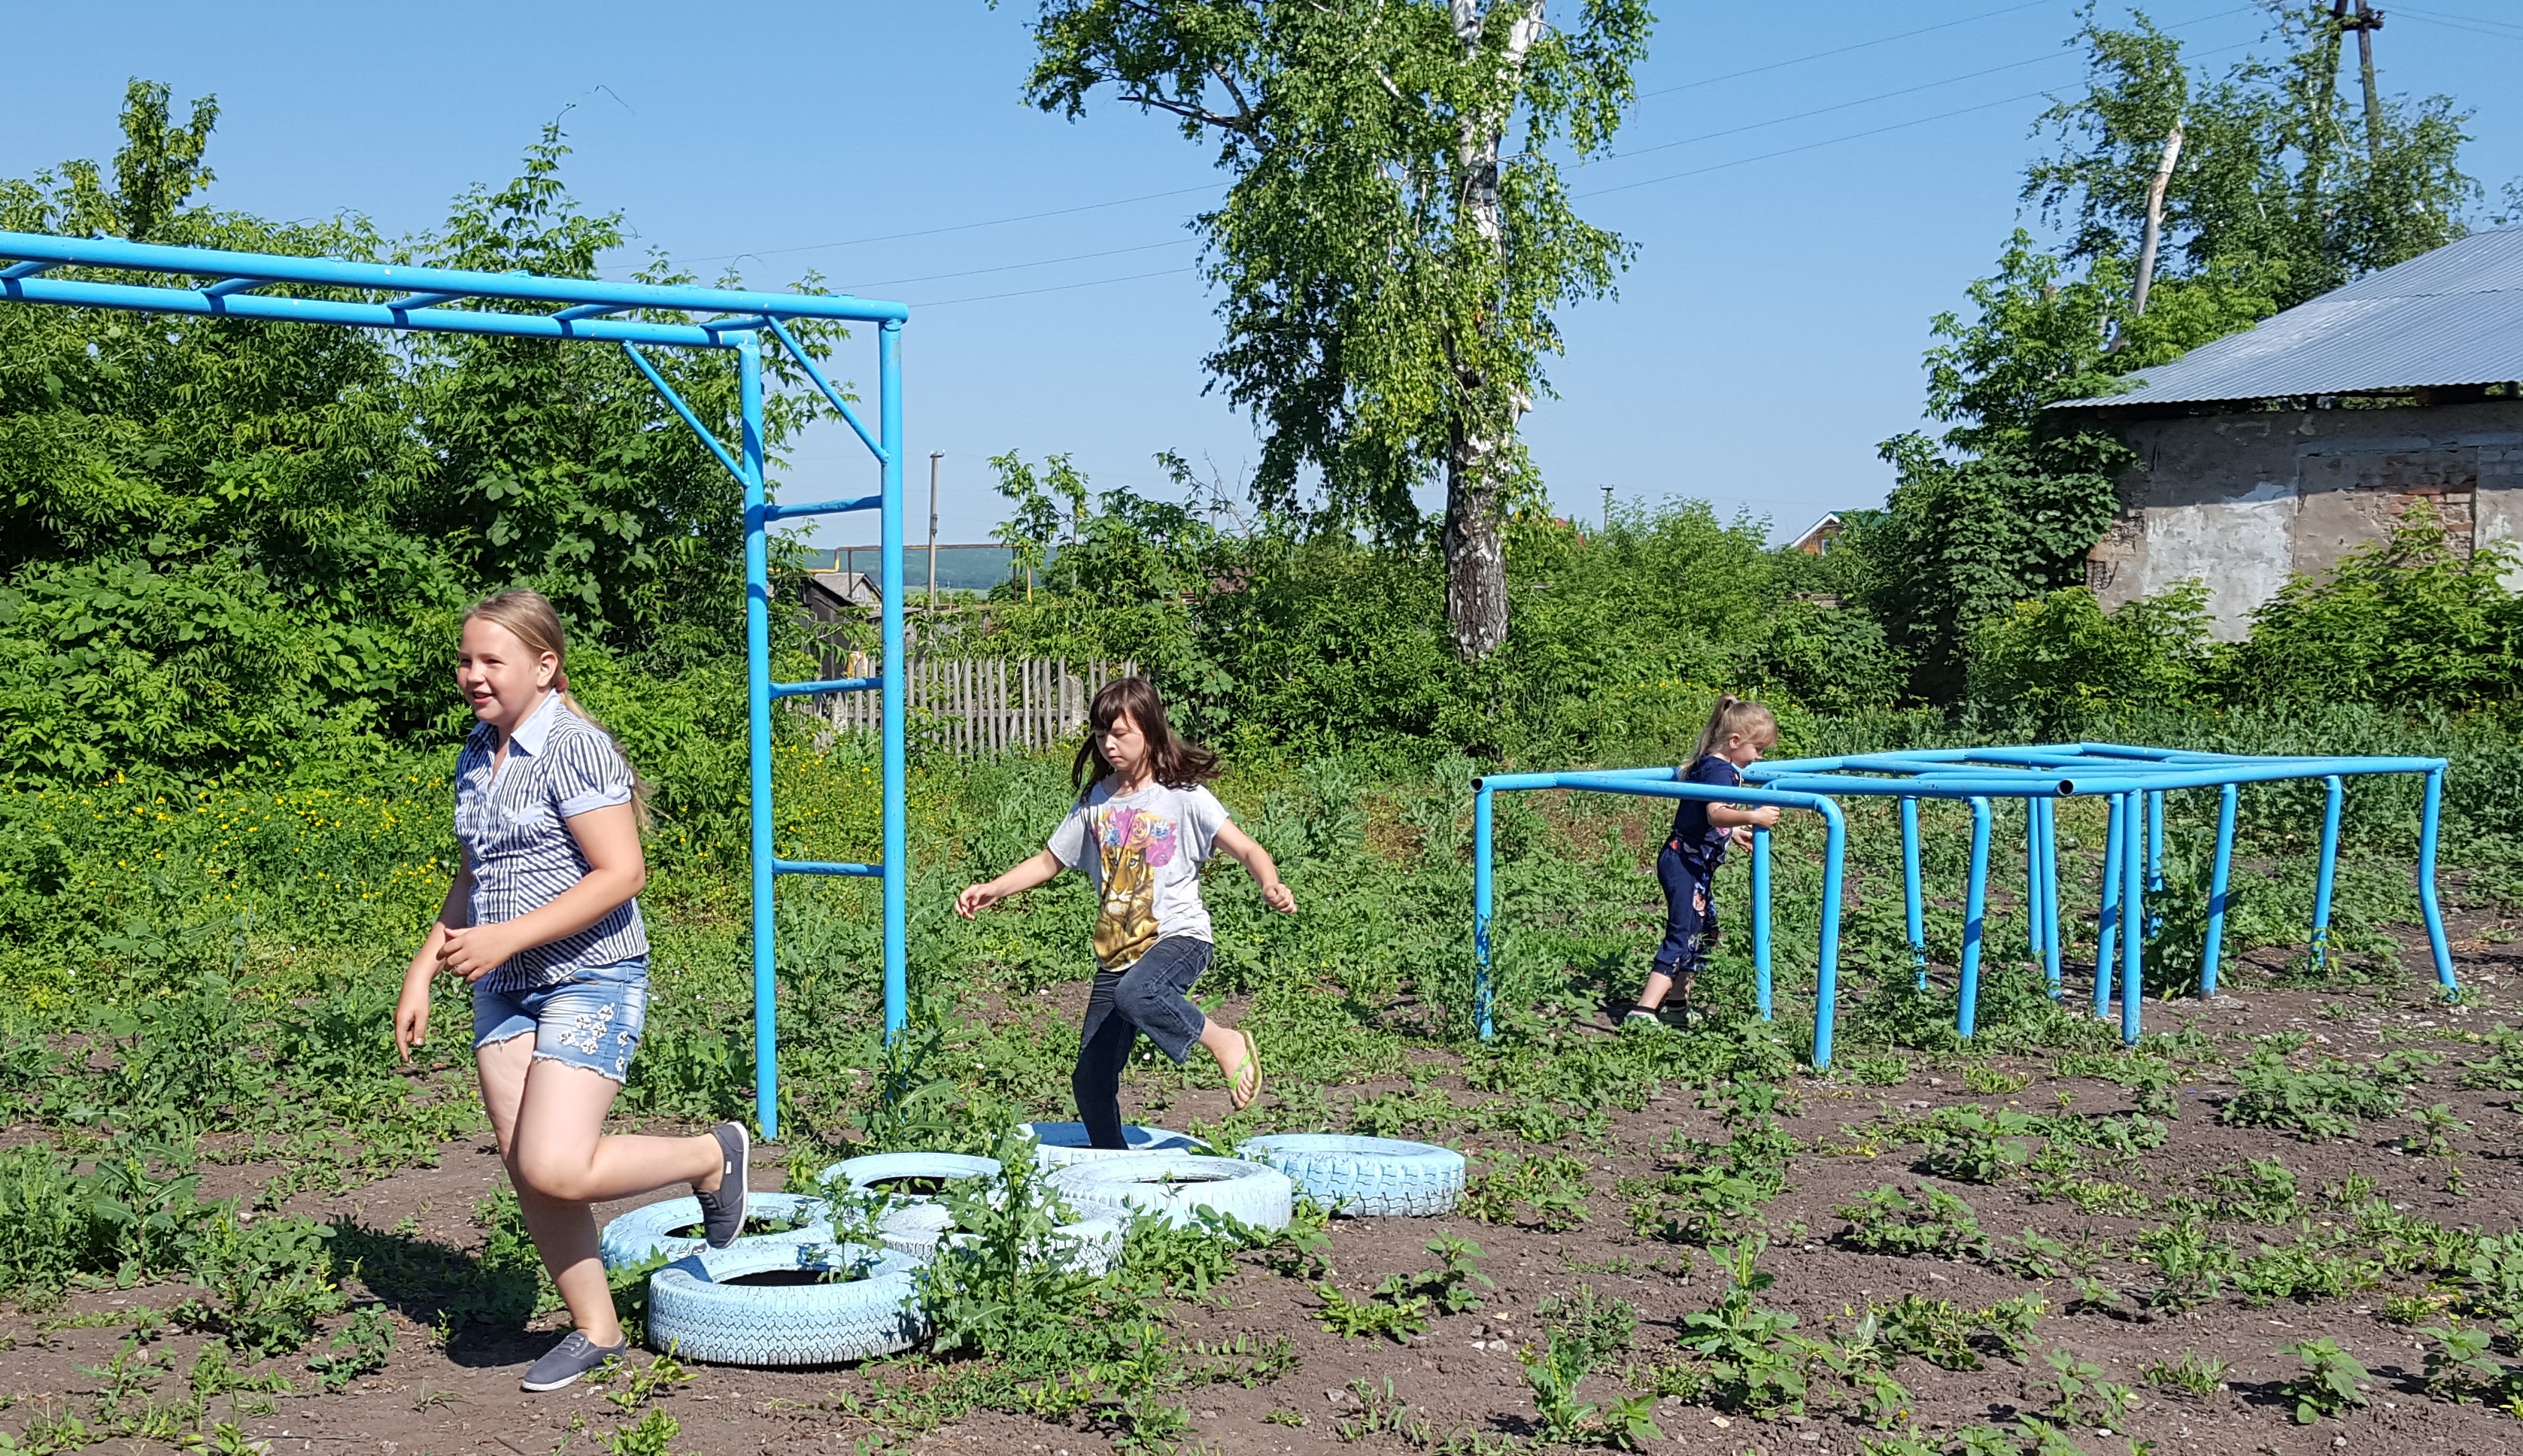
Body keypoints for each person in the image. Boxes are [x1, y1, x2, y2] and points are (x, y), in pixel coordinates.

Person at [393, 590, 751, 1394]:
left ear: (544, 665)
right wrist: (424, 965)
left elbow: (623, 873)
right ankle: (597, 1328)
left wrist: (505, 937)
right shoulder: (478, 752)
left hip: (591, 975)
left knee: (555, 1163)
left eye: (492, 660)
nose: (472, 675)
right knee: (531, 1170)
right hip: (505, 988)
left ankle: (709, 1155)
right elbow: (473, 875)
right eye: (466, 660)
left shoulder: (574, 747)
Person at [955, 677, 1294, 1145]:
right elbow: (1049, 860)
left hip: (1178, 937)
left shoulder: (1184, 796)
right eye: (1100, 735)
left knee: (1138, 994)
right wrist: (995, 888)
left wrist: (1270, 882)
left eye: (1120, 734)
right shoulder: (1097, 800)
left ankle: (1225, 1041)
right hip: (1119, 951)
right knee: (1090, 1080)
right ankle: (1112, 1166)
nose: (1108, 745)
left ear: (1151, 731)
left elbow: (1247, 848)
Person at [1624, 695, 1781, 1030]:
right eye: (1758, 749)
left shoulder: (1711, 764)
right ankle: (1644, 1010)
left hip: (1690, 860)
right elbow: (1714, 812)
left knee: (1705, 931)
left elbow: (1706, 814)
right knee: (1683, 932)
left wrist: (1734, 830)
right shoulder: (1722, 772)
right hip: (1685, 862)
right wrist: (1752, 815)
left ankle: (1678, 1004)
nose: (1760, 757)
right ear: (1735, 741)